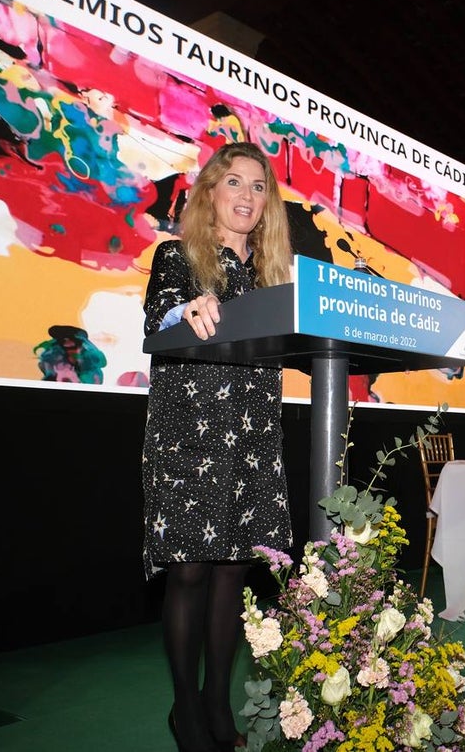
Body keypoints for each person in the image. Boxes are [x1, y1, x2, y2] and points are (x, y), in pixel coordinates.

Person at [141, 142, 294, 752]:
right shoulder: (178, 255)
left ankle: (216, 701)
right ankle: (184, 704)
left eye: (259, 187)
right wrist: (188, 308)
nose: (247, 197)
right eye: (235, 182)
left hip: (253, 434)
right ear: (211, 191)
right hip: (189, 433)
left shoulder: (271, 275)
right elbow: (158, 318)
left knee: (234, 572)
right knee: (190, 570)